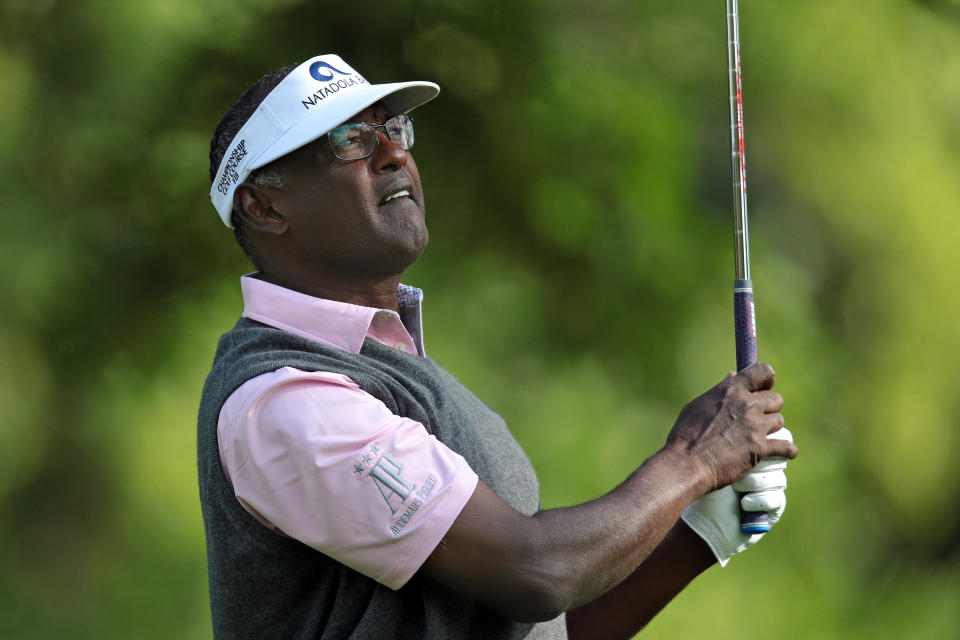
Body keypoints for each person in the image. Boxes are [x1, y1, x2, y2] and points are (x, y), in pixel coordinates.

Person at [198, 54, 798, 640]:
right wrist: (695, 458)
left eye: (394, 128)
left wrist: (697, 536)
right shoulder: (285, 400)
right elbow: (535, 573)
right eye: (350, 140)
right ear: (265, 206)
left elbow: (532, 623)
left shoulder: (390, 368)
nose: (395, 154)